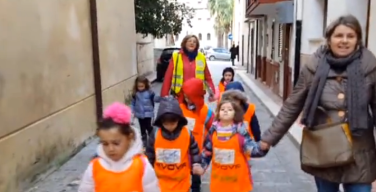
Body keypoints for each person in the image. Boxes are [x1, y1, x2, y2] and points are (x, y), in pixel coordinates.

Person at [259, 15, 376, 192]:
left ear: (358, 40)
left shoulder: (370, 68)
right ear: (329, 39)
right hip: (324, 151)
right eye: (339, 36)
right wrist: (268, 139)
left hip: (359, 153)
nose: (344, 41)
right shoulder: (313, 67)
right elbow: (292, 105)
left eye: (350, 36)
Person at [78, 102, 160, 192]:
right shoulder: (95, 166)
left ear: (129, 137)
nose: (111, 149)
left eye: (116, 143)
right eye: (105, 144)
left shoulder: (141, 165)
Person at [194, 100, 268, 192]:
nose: (225, 111)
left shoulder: (241, 133)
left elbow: (252, 150)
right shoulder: (213, 132)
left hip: (237, 183)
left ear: (235, 114)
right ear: (218, 113)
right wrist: (202, 167)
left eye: (229, 109)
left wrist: (263, 148)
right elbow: (207, 153)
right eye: (222, 109)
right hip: (219, 182)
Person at [145, 96, 201, 192]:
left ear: (179, 119)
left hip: (181, 182)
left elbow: (194, 150)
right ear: (161, 121)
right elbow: (150, 153)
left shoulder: (186, 133)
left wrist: (196, 163)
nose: (169, 126)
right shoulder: (155, 134)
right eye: (166, 124)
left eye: (172, 123)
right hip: (161, 183)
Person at [178, 78, 215, 192]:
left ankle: (195, 188)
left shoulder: (205, 112)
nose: (186, 99)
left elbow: (214, 128)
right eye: (185, 96)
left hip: (197, 150)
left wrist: (210, 143)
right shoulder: (180, 109)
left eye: (189, 97)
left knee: (195, 174)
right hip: (182, 149)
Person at [160, 35, 216, 100]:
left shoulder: (201, 57)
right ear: (185, 43)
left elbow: (208, 77)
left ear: (197, 45)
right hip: (179, 95)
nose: (192, 43)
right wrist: (164, 95)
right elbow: (168, 77)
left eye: (194, 42)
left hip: (196, 96)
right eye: (189, 41)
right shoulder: (176, 56)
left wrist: (212, 93)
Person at [131, 76, 160, 147]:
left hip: (148, 113)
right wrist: (132, 111)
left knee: (148, 126)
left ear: (145, 85)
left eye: (142, 86)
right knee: (142, 128)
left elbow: (155, 99)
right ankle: (144, 140)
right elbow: (133, 103)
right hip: (139, 113)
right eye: (139, 86)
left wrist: (161, 99)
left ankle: (152, 138)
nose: (140, 88)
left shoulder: (150, 93)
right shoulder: (135, 94)